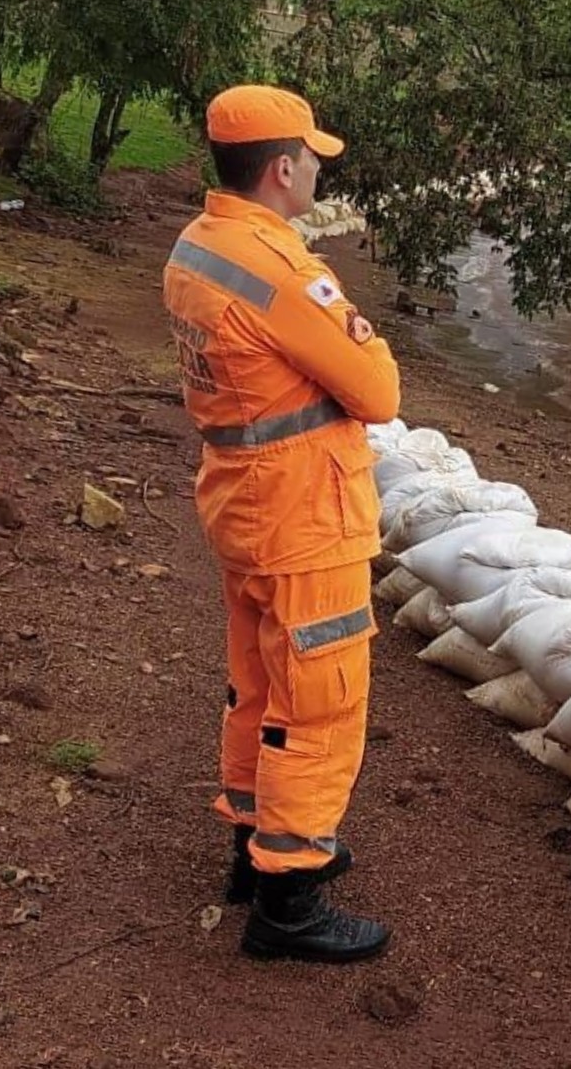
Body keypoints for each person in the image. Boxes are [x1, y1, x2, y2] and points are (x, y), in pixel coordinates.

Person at [162, 85, 401, 963]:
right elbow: (379, 391)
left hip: (242, 501)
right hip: (305, 519)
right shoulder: (280, 269)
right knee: (319, 707)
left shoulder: (198, 246)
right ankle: (289, 903)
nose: (317, 170)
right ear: (283, 168)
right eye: (312, 158)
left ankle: (250, 855)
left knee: (259, 689)